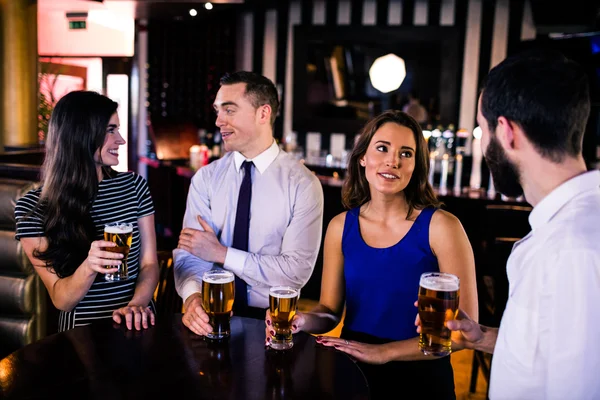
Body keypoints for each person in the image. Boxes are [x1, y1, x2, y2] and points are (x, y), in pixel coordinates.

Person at [416, 49, 600, 399]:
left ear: (507, 131)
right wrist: (481, 336)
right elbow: (549, 351)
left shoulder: (575, 248)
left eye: (483, 130)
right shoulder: (569, 224)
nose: (484, 144)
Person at [266, 110, 478, 399]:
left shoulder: (442, 227)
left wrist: (384, 353)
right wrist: (302, 320)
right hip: (353, 371)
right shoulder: (340, 227)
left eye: (406, 153)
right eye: (382, 148)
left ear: (416, 166)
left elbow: (465, 333)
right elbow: (329, 311)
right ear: (362, 156)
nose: (393, 161)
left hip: (423, 378)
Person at [174, 71, 324, 332]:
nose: (219, 121)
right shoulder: (206, 179)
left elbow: (294, 273)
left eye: (229, 110)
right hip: (209, 317)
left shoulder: (302, 184)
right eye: (218, 110)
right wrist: (192, 296)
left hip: (273, 324)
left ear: (263, 114)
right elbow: (191, 255)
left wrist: (222, 254)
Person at [15, 90, 159, 332]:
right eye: (111, 130)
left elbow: (149, 264)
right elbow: (61, 299)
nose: (121, 140)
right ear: (81, 135)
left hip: (139, 325)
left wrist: (135, 305)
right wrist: (90, 265)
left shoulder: (134, 186)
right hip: (83, 336)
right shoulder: (32, 207)